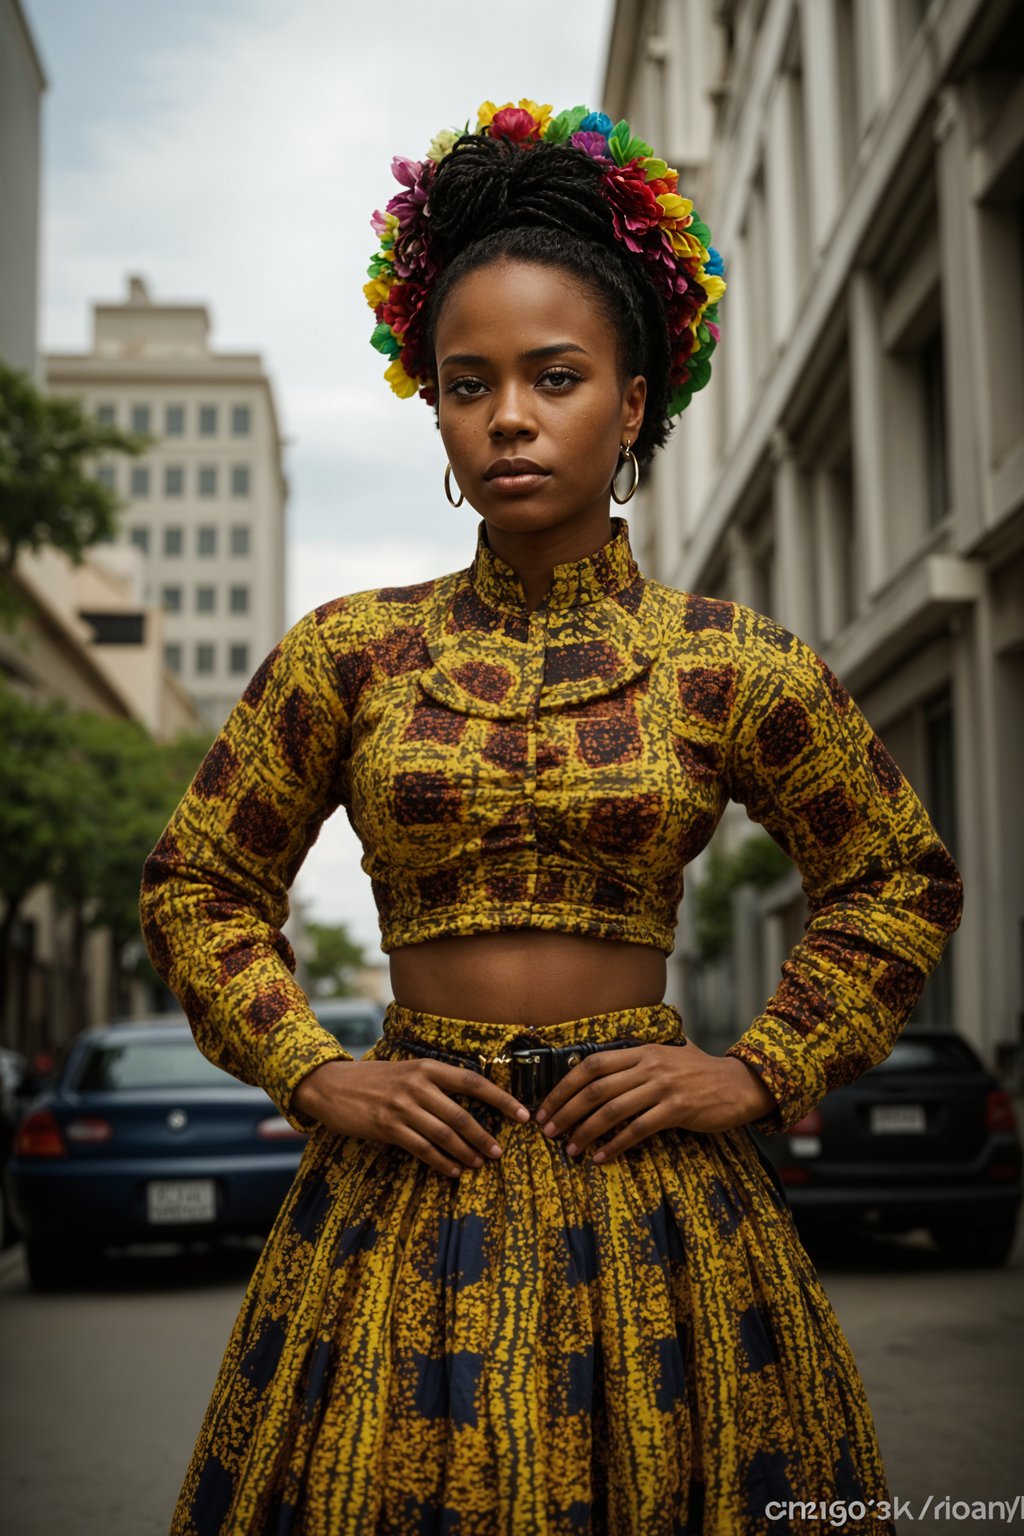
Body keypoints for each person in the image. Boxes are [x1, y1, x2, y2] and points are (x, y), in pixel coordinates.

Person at [140, 98, 963, 1536]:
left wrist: (758, 1070)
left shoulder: (733, 660)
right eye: (468, 384)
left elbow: (897, 873)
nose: (508, 416)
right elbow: (199, 880)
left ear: (633, 401)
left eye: (555, 375)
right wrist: (317, 1072)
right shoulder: (347, 651)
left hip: (654, 1189)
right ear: (438, 407)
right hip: (398, 1188)